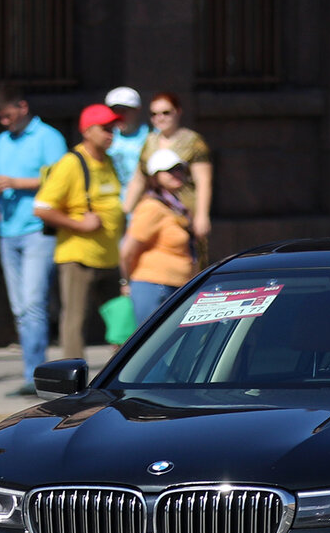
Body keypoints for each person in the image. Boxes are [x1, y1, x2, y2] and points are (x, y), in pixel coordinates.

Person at [0, 84, 68, 396]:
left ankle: (37, 374)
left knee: (33, 303)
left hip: (37, 229)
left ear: (22, 107)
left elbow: (61, 180)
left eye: (7, 116)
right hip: (8, 230)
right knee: (20, 307)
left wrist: (16, 183)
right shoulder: (2, 140)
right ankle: (29, 371)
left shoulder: (48, 137)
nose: (4, 123)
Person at [34, 104, 125, 363]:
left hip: (109, 257)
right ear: (87, 130)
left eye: (113, 128)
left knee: (121, 323)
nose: (111, 133)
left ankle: (123, 376)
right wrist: (79, 225)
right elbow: (42, 207)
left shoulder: (108, 161)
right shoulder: (71, 163)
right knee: (75, 321)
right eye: (105, 128)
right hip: (78, 257)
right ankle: (72, 383)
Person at [126, 92, 213, 268]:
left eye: (166, 112)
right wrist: (127, 209)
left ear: (178, 112)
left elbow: (203, 181)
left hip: (185, 209)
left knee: (191, 259)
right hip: (157, 208)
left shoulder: (193, 141)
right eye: (154, 114)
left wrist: (202, 215)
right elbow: (139, 178)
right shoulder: (149, 141)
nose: (160, 118)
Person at [120, 149, 194, 325]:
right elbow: (127, 251)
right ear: (155, 176)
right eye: (169, 170)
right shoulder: (152, 207)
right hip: (154, 287)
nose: (176, 174)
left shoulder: (175, 206)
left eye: (179, 169)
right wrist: (125, 281)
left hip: (175, 286)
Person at [104, 86, 148, 206]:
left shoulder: (150, 136)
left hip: (142, 202)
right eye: (115, 111)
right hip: (111, 203)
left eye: (125, 111)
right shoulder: (106, 136)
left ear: (137, 110)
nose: (120, 116)